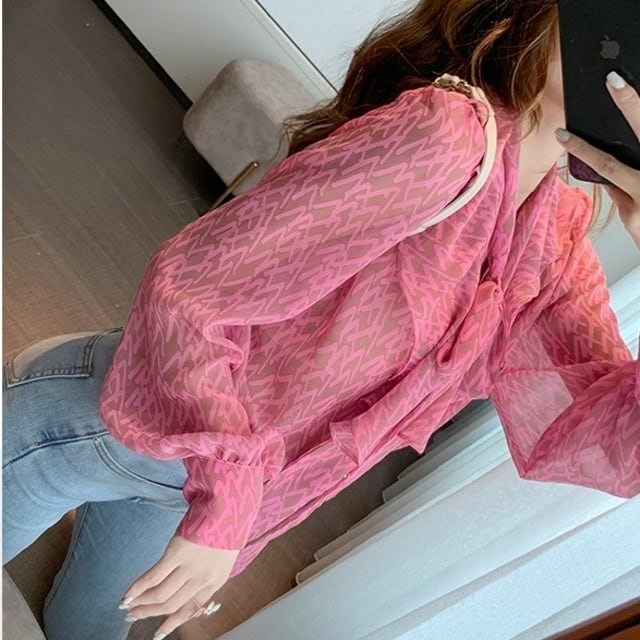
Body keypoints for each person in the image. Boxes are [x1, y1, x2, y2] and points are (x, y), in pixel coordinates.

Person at [3, 0, 639, 638]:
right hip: (107, 423)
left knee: (87, 630)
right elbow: (194, 285)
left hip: (194, 495)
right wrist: (228, 500)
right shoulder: (447, 138)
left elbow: (611, 442)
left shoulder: (553, 244)